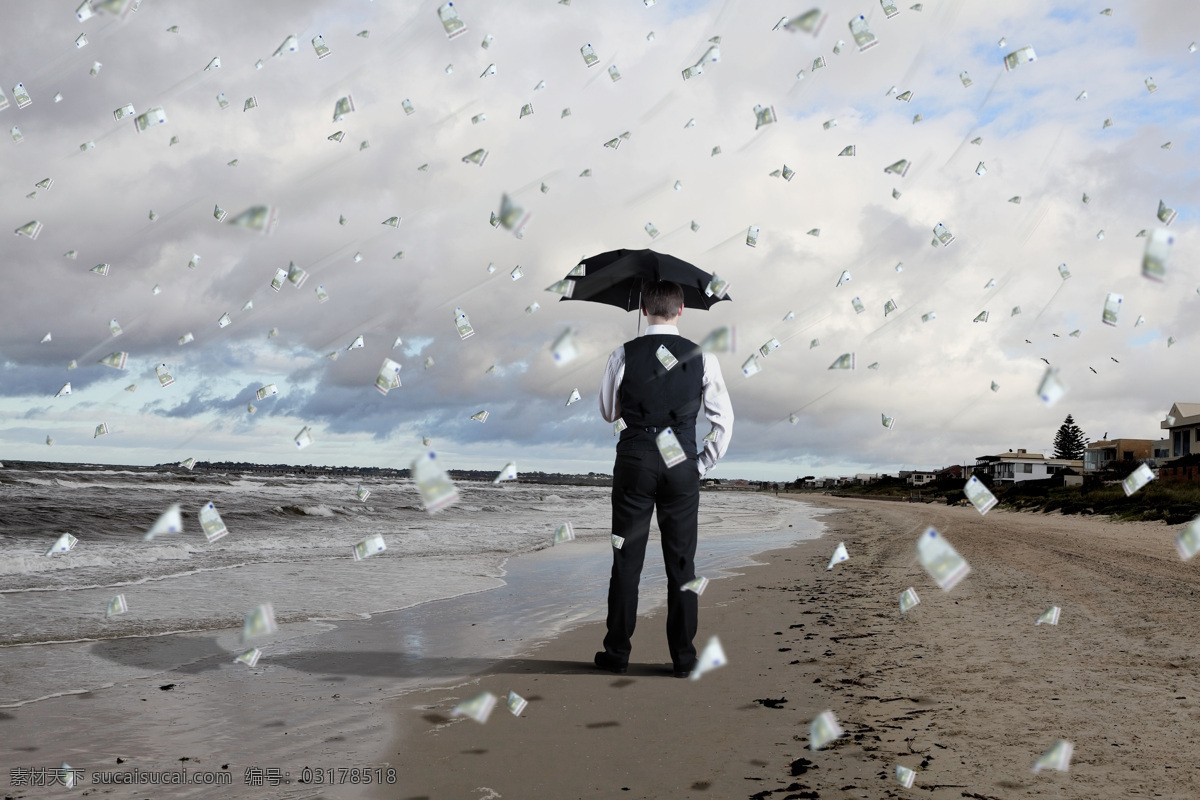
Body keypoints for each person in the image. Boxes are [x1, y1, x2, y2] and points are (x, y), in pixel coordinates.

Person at [594, 279, 733, 678]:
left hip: (635, 460)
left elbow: (608, 411)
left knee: (626, 561)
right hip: (681, 463)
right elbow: (724, 420)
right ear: (681, 310)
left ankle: (617, 653)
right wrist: (701, 464)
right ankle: (684, 659)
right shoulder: (702, 356)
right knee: (682, 564)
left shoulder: (623, 353)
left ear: (642, 310)